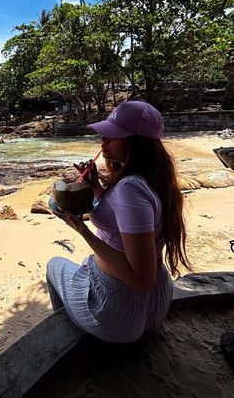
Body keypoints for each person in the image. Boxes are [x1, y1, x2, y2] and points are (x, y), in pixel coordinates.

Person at [46, 100, 191, 343]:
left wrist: (82, 230)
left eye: (112, 136)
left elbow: (141, 280)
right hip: (155, 304)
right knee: (85, 264)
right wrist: (96, 187)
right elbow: (122, 218)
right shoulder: (155, 178)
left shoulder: (130, 189)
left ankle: (67, 342)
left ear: (135, 143)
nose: (103, 139)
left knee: (54, 266)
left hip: (118, 312)